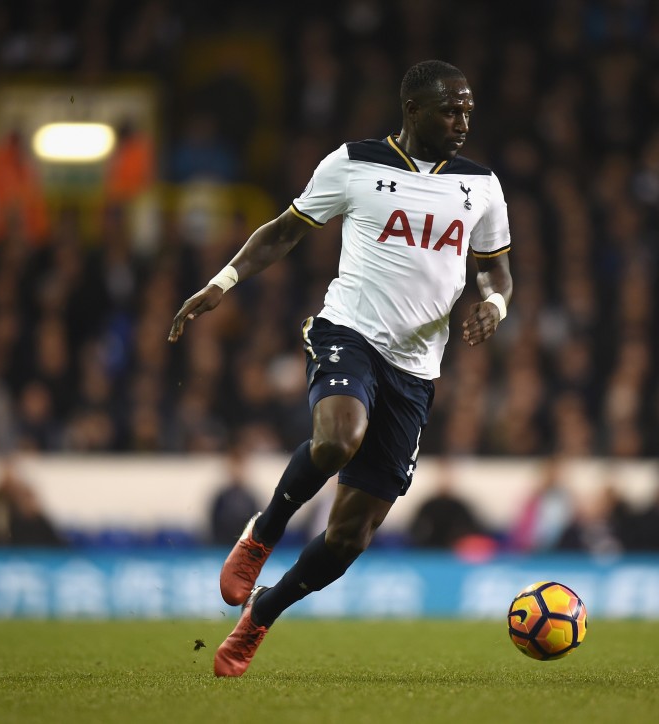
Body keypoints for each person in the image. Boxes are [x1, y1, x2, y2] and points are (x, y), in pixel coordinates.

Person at [168, 60, 512, 677]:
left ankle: (261, 615)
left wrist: (494, 303)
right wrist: (222, 282)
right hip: (348, 333)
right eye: (449, 110)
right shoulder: (353, 163)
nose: (463, 121)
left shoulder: (481, 184)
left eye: (467, 110)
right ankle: (263, 532)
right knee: (337, 438)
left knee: (349, 537)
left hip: (417, 368)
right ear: (412, 110)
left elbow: (495, 267)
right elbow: (283, 231)